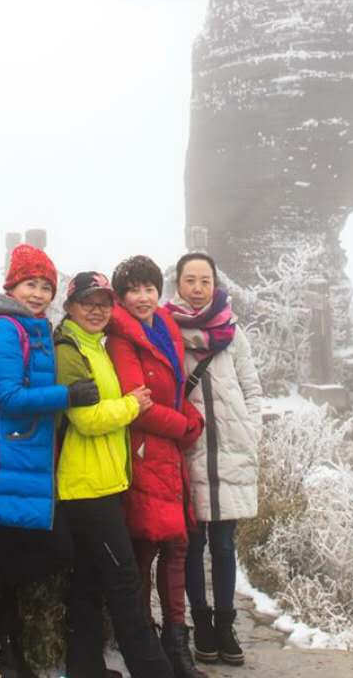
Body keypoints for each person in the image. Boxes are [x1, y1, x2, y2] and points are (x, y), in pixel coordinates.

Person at [0, 243, 99, 678]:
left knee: (28, 558)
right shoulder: (3, 329)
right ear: (11, 286)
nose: (38, 294)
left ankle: (7, 647)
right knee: (25, 557)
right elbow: (11, 398)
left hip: (22, 463)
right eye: (29, 284)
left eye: (45, 286)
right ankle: (3, 648)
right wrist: (68, 396)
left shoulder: (33, 328)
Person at [53, 270, 174, 678]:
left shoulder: (96, 345)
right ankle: (155, 671)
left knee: (88, 582)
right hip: (86, 487)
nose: (97, 309)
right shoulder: (69, 348)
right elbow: (85, 419)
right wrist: (130, 406)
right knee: (124, 584)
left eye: (104, 302)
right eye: (87, 301)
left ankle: (84, 669)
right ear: (69, 305)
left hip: (101, 481)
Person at [107, 255, 208, 678]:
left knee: (177, 548)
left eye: (150, 288)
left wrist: (188, 416)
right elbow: (140, 405)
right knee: (145, 548)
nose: (144, 297)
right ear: (121, 296)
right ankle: (148, 651)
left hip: (169, 456)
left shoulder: (164, 328)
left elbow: (170, 391)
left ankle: (176, 648)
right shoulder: (120, 339)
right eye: (134, 290)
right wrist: (186, 425)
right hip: (145, 452)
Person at [164, 252, 263, 667]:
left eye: (205, 280)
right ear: (179, 285)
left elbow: (252, 388)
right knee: (192, 543)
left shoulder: (233, 332)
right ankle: (200, 623)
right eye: (191, 280)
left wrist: (251, 432)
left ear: (215, 284)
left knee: (224, 545)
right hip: (190, 451)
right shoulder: (167, 331)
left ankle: (225, 624)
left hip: (232, 451)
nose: (198, 288)